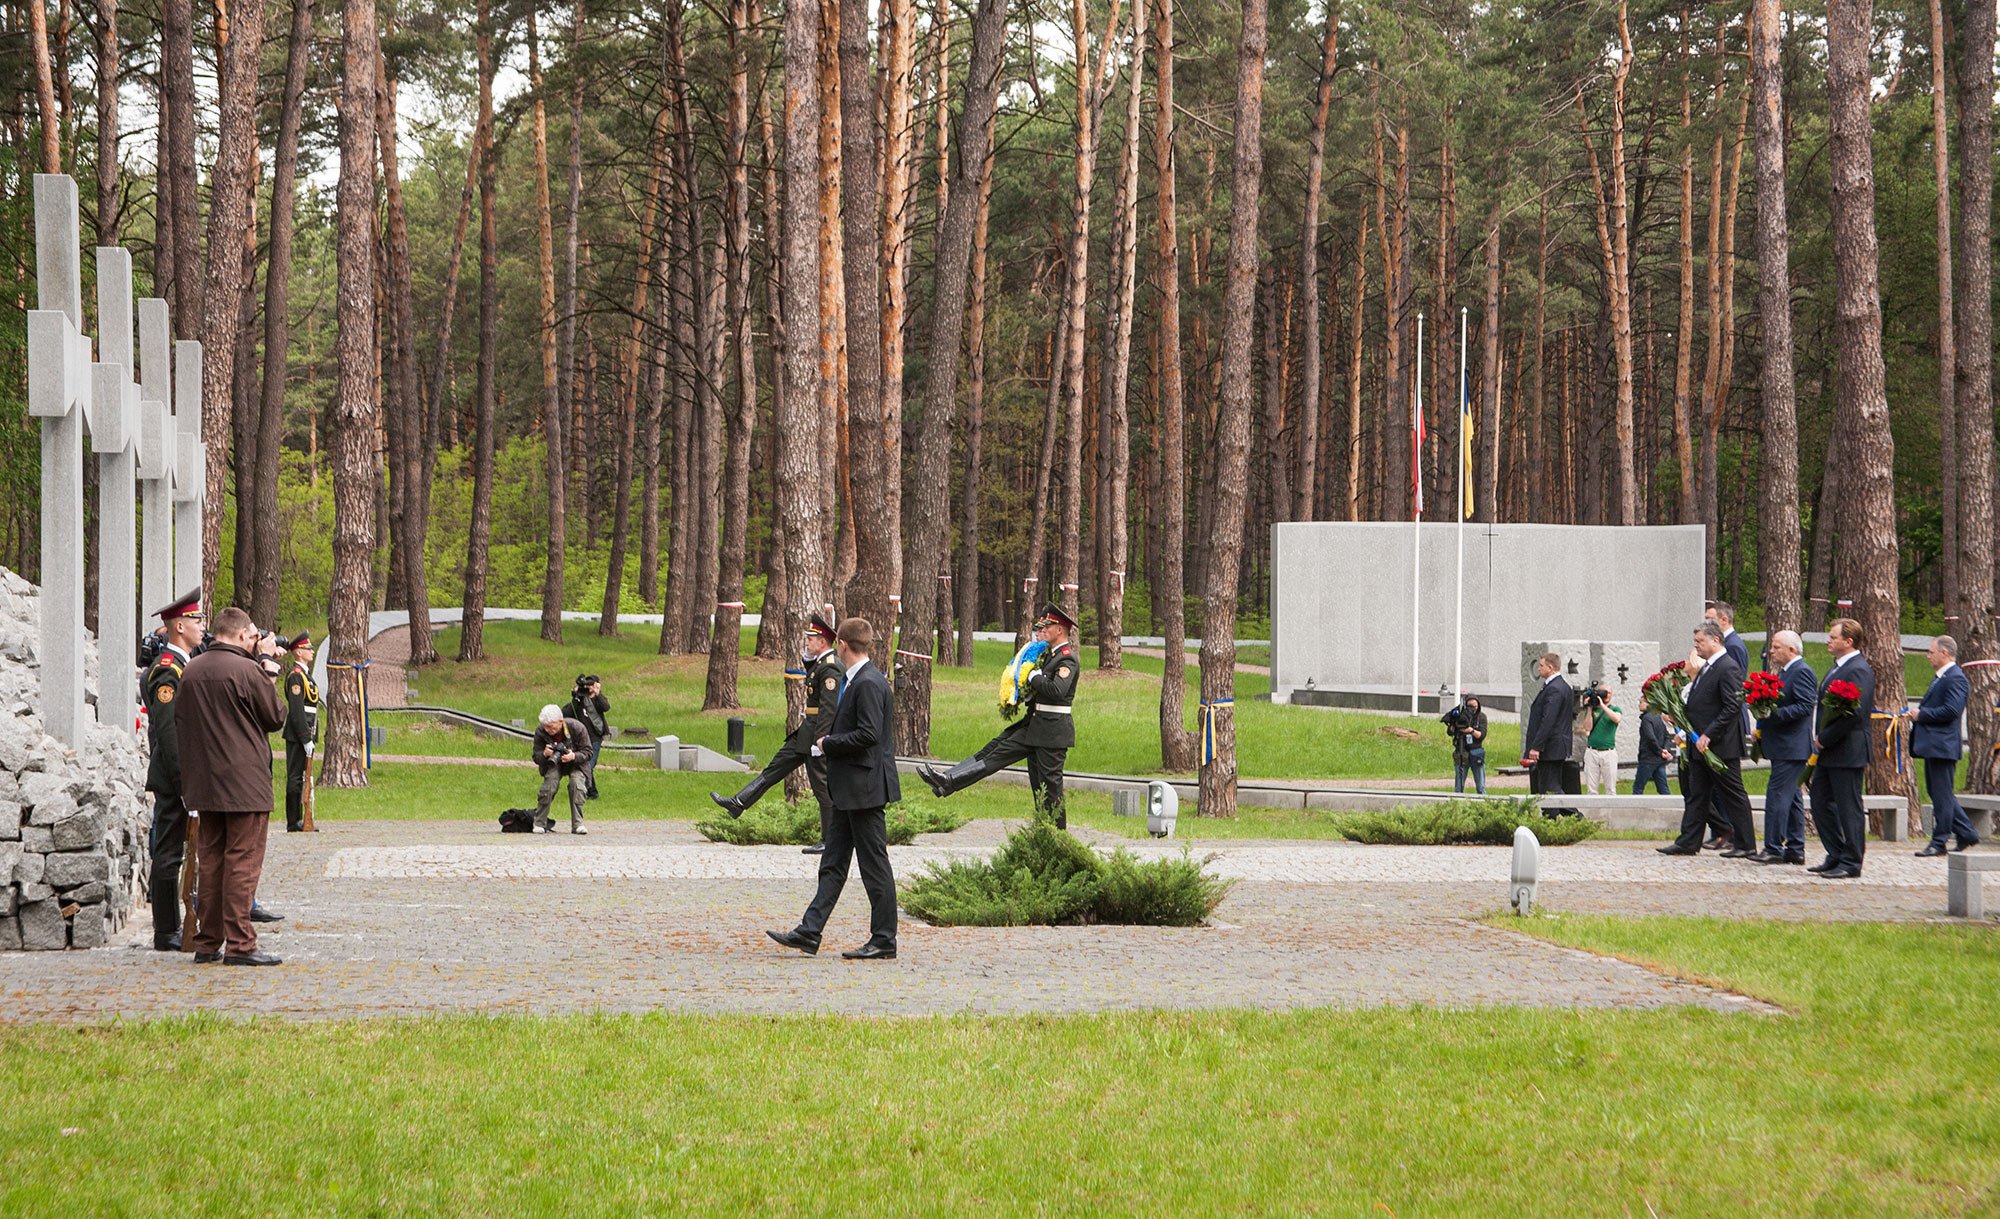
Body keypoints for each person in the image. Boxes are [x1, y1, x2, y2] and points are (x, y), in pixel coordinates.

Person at [767, 617, 899, 960]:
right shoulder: (859, 679)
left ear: (840, 644)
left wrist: (829, 743)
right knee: (833, 862)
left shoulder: (868, 683)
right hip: (850, 788)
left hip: (865, 788)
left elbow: (869, 735)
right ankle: (810, 932)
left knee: (874, 866)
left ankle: (884, 938)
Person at [177, 607, 288, 966]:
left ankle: (207, 942)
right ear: (241, 636)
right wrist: (268, 669)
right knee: (242, 862)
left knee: (210, 862)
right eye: (253, 637)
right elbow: (275, 716)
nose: (256, 642)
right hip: (244, 783)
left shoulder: (190, 670)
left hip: (205, 784)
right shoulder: (247, 670)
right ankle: (241, 944)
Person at [918, 604, 1081, 828]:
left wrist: (1033, 677)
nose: (1043, 630)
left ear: (1060, 630)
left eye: (1048, 626)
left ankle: (1057, 840)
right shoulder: (1049, 656)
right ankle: (948, 780)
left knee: (1050, 791)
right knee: (995, 750)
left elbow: (1056, 690)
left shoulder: (1066, 659)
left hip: (1052, 733)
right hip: (1035, 726)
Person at [710, 614, 841, 854]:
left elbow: (828, 708)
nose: (806, 642)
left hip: (816, 737)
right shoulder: (823, 663)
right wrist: (808, 659)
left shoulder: (832, 667)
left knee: (822, 788)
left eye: (811, 639)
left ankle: (830, 840)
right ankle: (739, 802)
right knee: (774, 769)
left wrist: (821, 740)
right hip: (806, 733)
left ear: (822, 641)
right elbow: (813, 681)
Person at [1659, 621, 1756, 858]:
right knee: (1697, 794)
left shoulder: (1728, 667)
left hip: (1720, 746)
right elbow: (1702, 703)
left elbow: (1732, 706)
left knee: (1733, 794)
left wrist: (1709, 734)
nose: (1696, 646)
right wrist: (1680, 716)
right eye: (1695, 642)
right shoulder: (1708, 668)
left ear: (1715, 640)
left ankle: (1746, 843)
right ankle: (1688, 842)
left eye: (1700, 641)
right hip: (1698, 745)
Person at [142, 589, 204, 952]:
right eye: (197, 620)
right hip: (172, 778)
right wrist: (184, 782)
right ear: (179, 625)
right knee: (168, 853)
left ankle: (172, 926)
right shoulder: (168, 670)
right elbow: (168, 734)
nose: (202, 625)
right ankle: (166, 929)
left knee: (176, 851)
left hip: (182, 775)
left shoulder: (183, 665)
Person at [1809, 616, 1876, 879]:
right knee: (1820, 800)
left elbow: (1854, 715)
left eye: (1833, 637)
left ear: (1848, 642)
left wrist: (1825, 737)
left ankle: (1851, 861)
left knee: (1849, 806)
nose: (1828, 640)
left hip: (1847, 749)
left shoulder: (1858, 669)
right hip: (1830, 749)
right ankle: (1836, 852)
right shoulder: (1837, 667)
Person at [1749, 629, 1818, 865]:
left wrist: (1772, 714)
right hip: (1784, 746)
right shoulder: (1786, 672)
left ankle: (1774, 847)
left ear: (1791, 649)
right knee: (1793, 798)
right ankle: (1795, 847)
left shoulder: (1801, 672)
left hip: (1792, 747)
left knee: (1777, 795)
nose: (1771, 651)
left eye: (1776, 647)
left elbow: (1806, 706)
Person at [1912, 634, 1979, 857]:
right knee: (1939, 792)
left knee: (1941, 794)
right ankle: (1966, 832)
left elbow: (1952, 710)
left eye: (1931, 652)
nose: (1928, 656)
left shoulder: (1955, 678)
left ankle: (1939, 841)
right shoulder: (1941, 677)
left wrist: (1922, 714)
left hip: (1943, 745)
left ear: (1944, 653)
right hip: (1934, 744)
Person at [280, 632, 320, 833]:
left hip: (307, 732)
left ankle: (302, 820)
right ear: (298, 652)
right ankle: (293, 820)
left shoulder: (305, 676)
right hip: (298, 734)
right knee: (295, 777)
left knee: (304, 777)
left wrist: (312, 736)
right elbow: (296, 711)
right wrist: (305, 737)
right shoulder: (295, 676)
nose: (311, 651)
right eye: (307, 648)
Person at [1521, 653, 1573, 802]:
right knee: (1546, 788)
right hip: (1555, 746)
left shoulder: (1555, 688)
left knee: (1551, 788)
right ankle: (1551, 819)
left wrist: (1536, 746)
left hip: (1551, 747)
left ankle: (1576, 818)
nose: (1538, 669)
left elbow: (1548, 720)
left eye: (1541, 665)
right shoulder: (1560, 686)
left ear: (1550, 667)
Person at [531, 705, 591, 834]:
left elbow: (588, 752)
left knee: (576, 784)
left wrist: (573, 756)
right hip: (553, 763)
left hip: (576, 764)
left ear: (560, 722)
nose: (547, 730)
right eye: (545, 726)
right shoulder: (541, 731)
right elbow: (536, 756)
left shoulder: (577, 727)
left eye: (550, 727)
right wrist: (545, 754)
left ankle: (578, 824)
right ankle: (539, 823)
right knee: (550, 784)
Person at [564, 674, 610, 800]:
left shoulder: (598, 700)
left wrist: (597, 693)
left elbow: (606, 707)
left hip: (595, 739)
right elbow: (567, 713)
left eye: (591, 685)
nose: (588, 687)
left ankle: (582, 792)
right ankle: (592, 792)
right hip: (582, 739)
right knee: (584, 765)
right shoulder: (581, 699)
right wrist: (575, 697)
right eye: (587, 685)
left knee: (589, 765)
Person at [1580, 683, 1623, 795]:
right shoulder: (1593, 710)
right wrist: (1589, 709)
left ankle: (1610, 812)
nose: (1606, 695)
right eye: (1603, 692)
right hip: (1592, 751)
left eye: (1608, 693)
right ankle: (1594, 812)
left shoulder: (1615, 709)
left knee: (1610, 789)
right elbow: (1587, 728)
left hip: (1608, 752)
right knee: (1591, 789)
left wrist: (1602, 705)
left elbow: (1617, 719)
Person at [1449, 697, 1488, 794]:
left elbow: (1481, 735)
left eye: (1475, 706)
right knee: (1459, 787)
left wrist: (1470, 730)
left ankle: (1484, 804)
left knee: (1481, 787)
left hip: (1476, 753)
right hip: (1461, 752)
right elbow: (1450, 732)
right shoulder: (1461, 715)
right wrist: (1454, 725)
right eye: (1470, 706)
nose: (1473, 709)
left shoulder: (1481, 717)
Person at [1632, 709, 1674, 794]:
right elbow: (1667, 736)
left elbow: (1650, 738)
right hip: (1659, 760)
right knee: (1663, 788)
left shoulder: (1647, 718)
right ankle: (1670, 805)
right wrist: (1665, 749)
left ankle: (1635, 806)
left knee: (1638, 787)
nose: (1639, 704)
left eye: (1641, 702)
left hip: (1648, 759)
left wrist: (1660, 751)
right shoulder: (1658, 717)